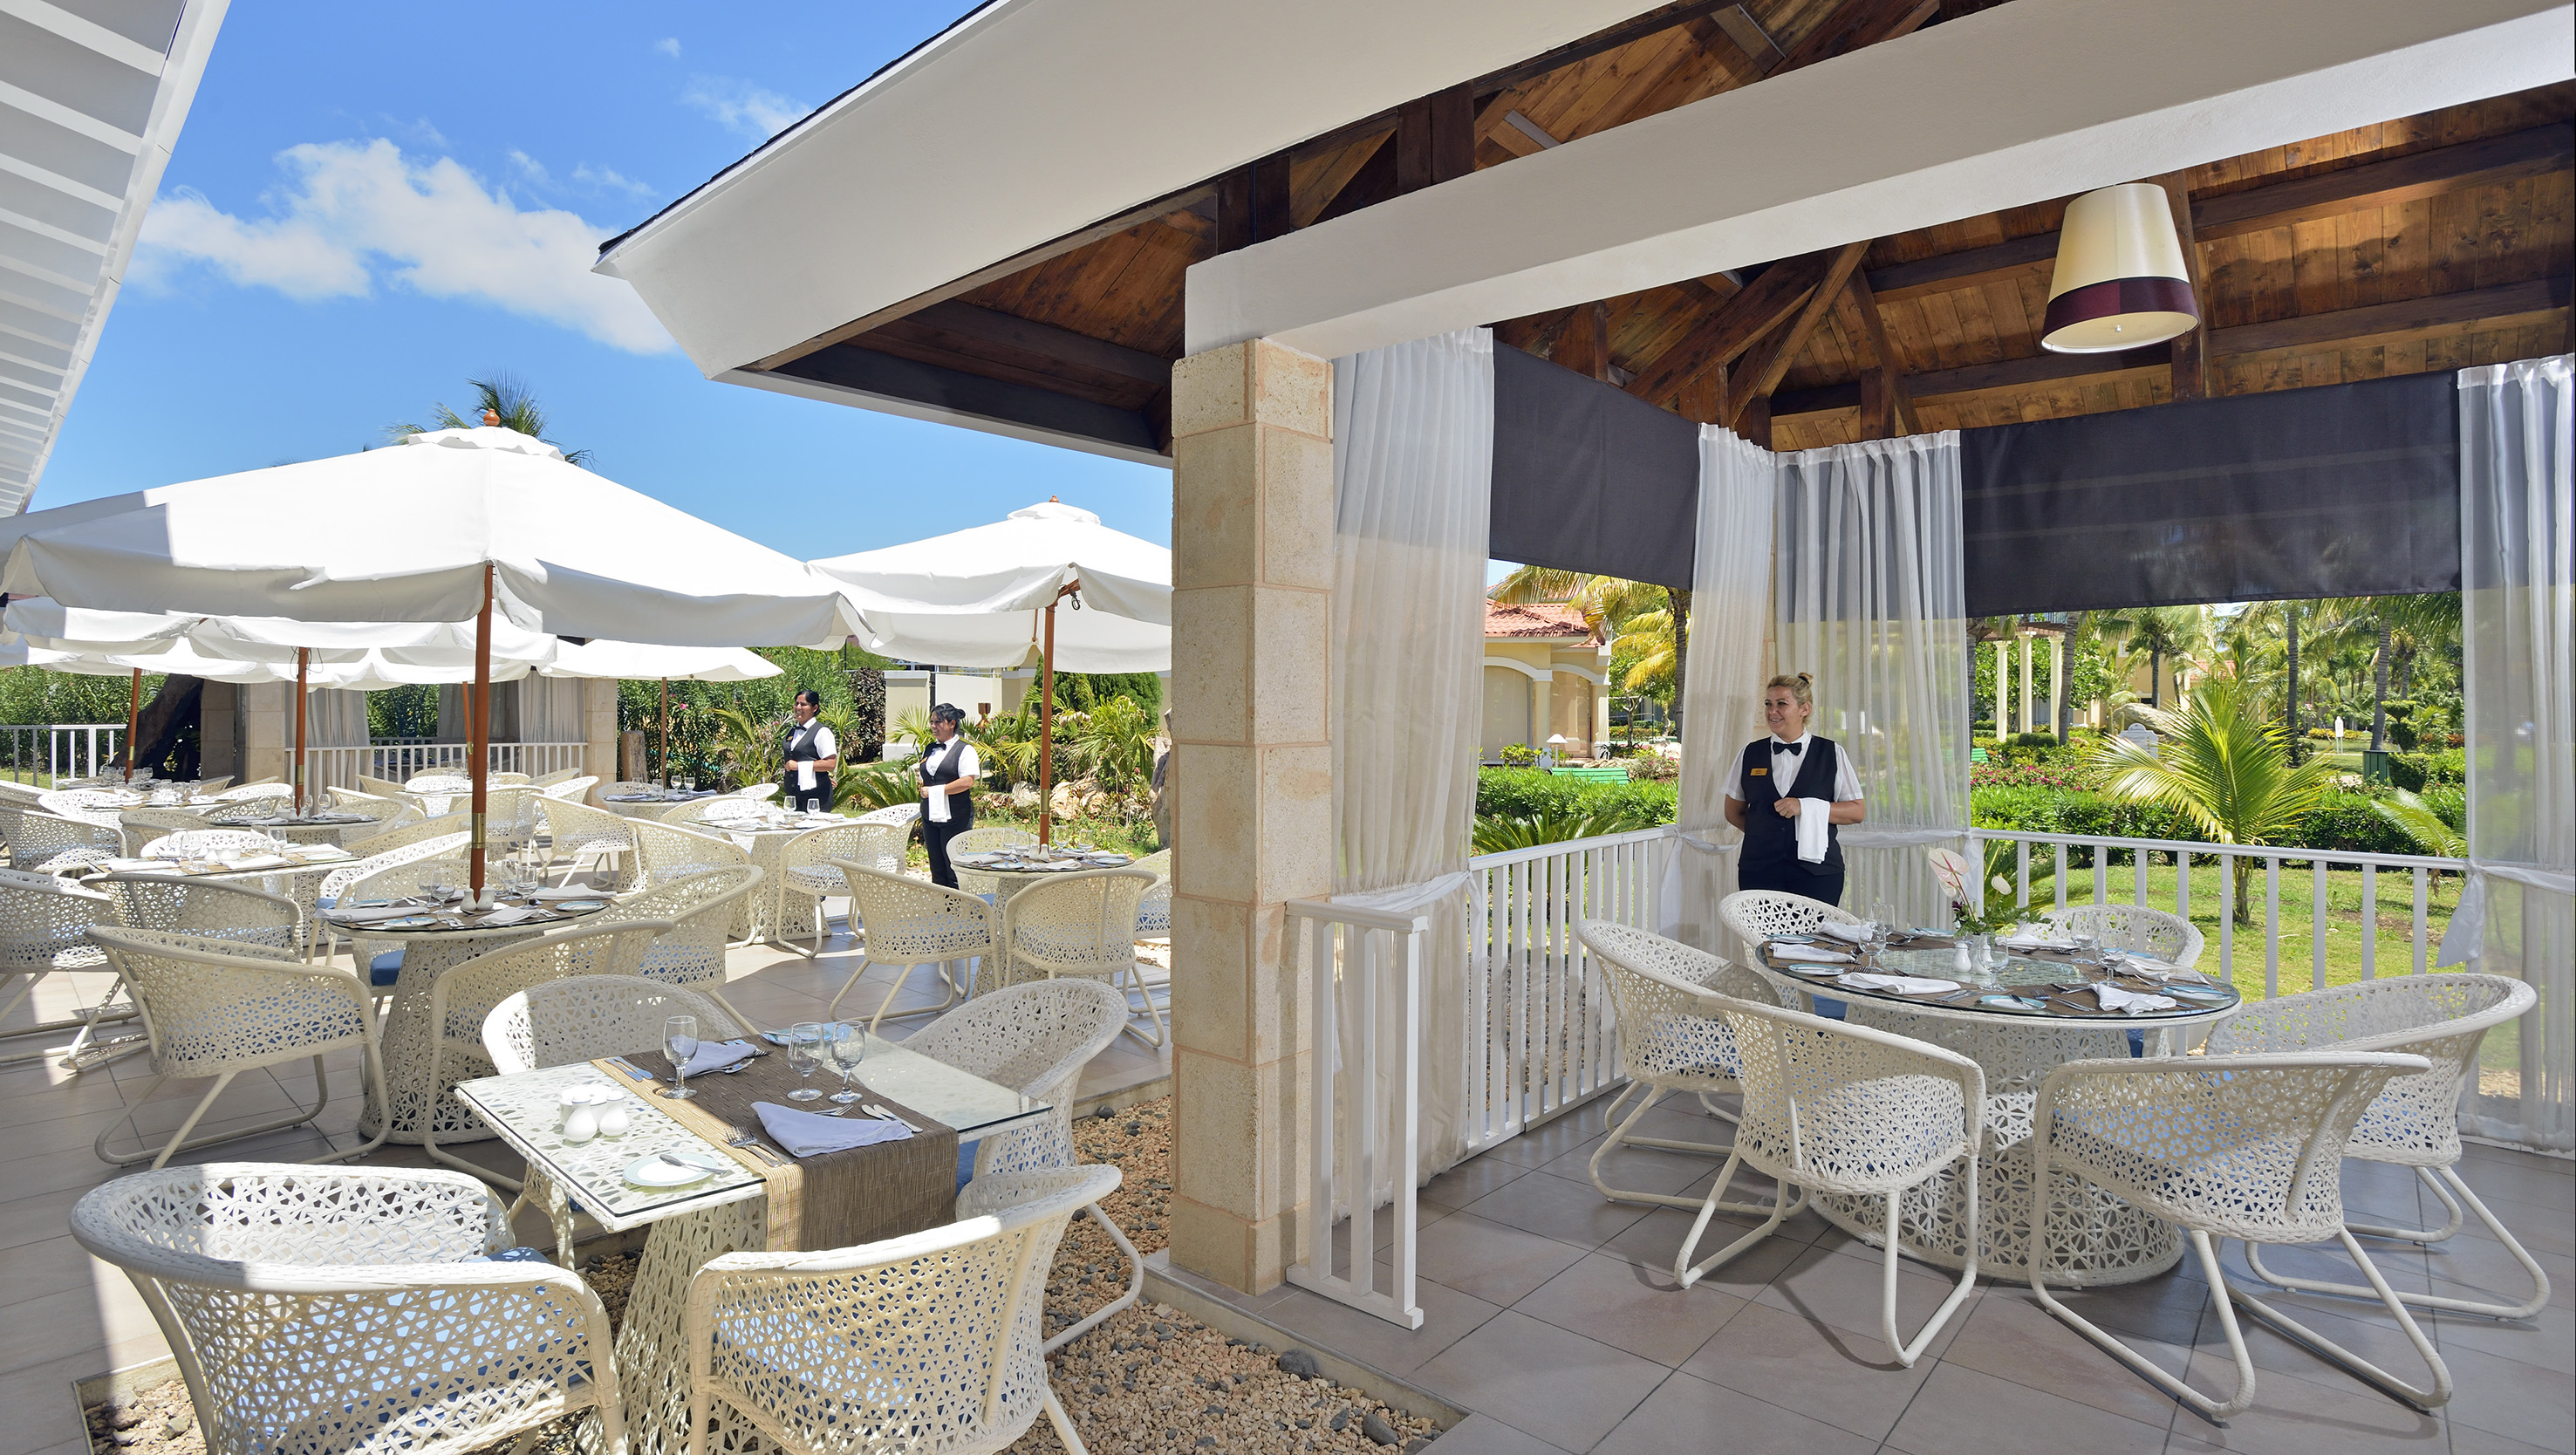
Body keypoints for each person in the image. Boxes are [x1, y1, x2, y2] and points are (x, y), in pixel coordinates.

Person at [1723, 672, 1866, 907]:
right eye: (1768, 704)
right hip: (1759, 871)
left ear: (1804, 709)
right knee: (1766, 942)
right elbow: (1733, 812)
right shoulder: (1749, 753)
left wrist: (1805, 807)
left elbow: (1856, 812)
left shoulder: (1832, 753)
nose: (1772, 711)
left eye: (1782, 704)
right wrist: (1766, 834)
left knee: (1815, 943)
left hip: (1817, 874)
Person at [918, 702, 980, 888]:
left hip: (955, 815)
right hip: (930, 815)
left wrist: (936, 791)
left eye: (938, 722)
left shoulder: (965, 750)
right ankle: (941, 908)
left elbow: (967, 781)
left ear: (952, 724)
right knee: (936, 866)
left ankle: (958, 909)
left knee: (953, 866)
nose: (933, 726)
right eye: (931, 722)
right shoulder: (929, 748)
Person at [779, 690, 838, 812]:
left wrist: (799, 766)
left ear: (815, 708)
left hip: (816, 798)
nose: (798, 708)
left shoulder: (822, 732)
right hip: (794, 796)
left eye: (803, 704)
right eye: (796, 704)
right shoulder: (792, 731)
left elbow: (830, 764)